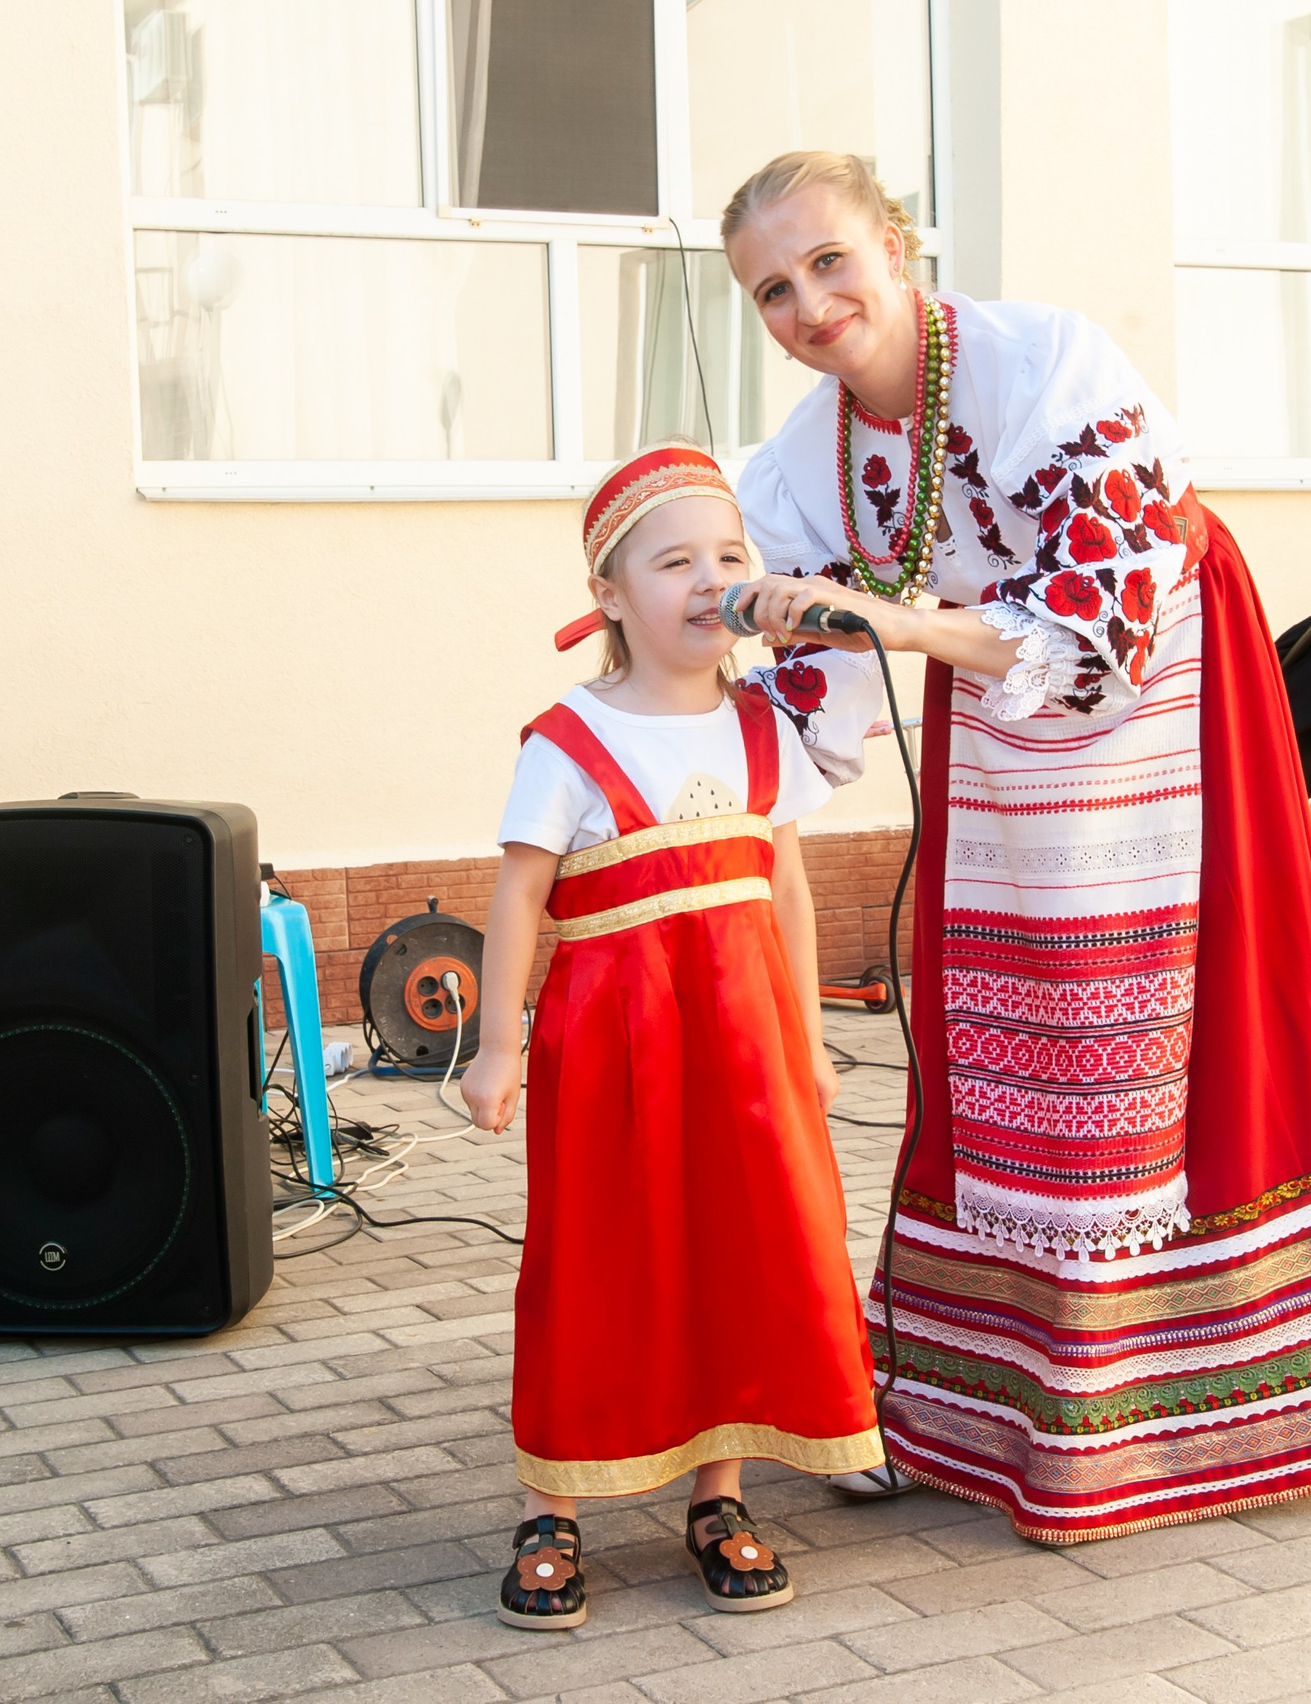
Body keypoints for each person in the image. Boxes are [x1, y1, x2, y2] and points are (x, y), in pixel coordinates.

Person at [716, 152, 1311, 1545]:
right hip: (995, 707)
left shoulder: (1040, 360)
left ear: (896, 247)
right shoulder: (801, 463)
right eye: (773, 291)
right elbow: (816, 685)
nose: (809, 306)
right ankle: (988, 1396)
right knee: (1017, 1011)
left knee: (1185, 1009)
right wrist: (680, 756)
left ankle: (1220, 1399)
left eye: (828, 262)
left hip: (1167, 674)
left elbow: (1099, 616)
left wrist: (901, 625)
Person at [459, 443, 884, 1629]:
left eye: (729, 556)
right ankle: (552, 1505)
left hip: (747, 1046)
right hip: (611, 1048)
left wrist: (808, 1039)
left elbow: (785, 888)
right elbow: (519, 896)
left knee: (740, 1251)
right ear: (608, 593)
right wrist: (497, 1047)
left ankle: (718, 1494)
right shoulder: (568, 740)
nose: (711, 580)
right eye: (674, 561)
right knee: (597, 1261)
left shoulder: (766, 727)